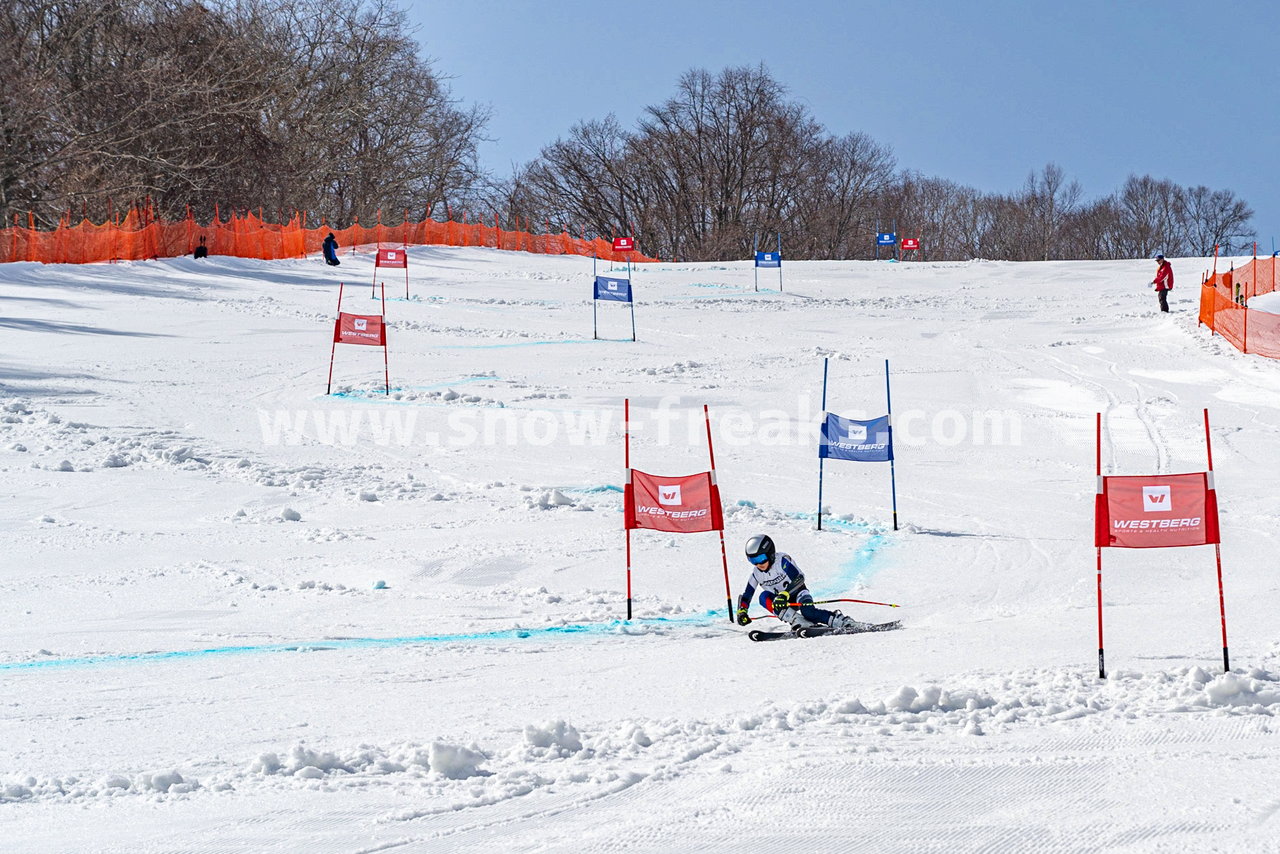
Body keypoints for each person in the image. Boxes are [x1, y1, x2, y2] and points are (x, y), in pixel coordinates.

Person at [734, 534, 859, 631]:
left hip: (799, 594)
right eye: (753, 560)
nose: (758, 564)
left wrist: (785, 594)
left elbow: (799, 579)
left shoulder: (781, 561)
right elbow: (747, 594)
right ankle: (799, 621)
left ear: (770, 554)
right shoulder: (756, 573)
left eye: (761, 559)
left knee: (809, 612)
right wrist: (742, 611)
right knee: (763, 597)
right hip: (782, 603)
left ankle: (842, 622)